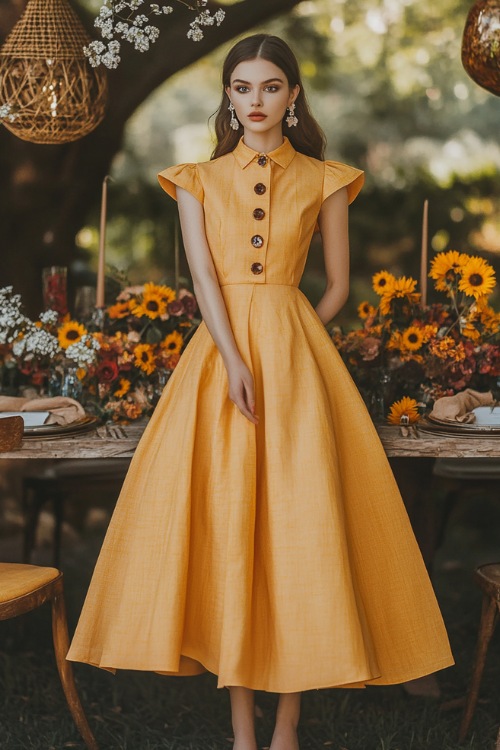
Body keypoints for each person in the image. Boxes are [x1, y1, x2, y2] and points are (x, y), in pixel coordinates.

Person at [67, 33, 454, 750]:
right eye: (242, 88)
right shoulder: (195, 180)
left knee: (301, 531)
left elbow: (335, 285)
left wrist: (294, 332)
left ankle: (289, 726)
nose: (255, 102)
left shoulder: (326, 179)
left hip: (299, 360)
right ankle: (242, 731)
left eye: (270, 87)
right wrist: (236, 352)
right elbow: (205, 280)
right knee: (225, 529)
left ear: (293, 95)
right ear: (227, 95)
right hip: (217, 362)